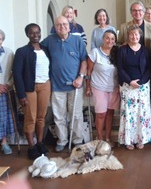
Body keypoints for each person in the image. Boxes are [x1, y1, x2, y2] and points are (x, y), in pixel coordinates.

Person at [41, 16, 87, 152]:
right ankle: (62, 140)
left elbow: (84, 61)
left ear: (69, 25)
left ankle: (77, 140)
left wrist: (81, 77)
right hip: (57, 86)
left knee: (76, 114)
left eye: (65, 24)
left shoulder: (77, 40)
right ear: (55, 27)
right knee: (59, 116)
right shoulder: (49, 41)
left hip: (75, 85)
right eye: (59, 25)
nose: (62, 27)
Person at [13, 23, 51, 159]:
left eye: (38, 32)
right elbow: (17, 74)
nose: (36, 35)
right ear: (27, 34)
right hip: (30, 88)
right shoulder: (22, 51)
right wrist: (21, 94)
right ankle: (31, 147)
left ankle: (40, 143)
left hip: (45, 86)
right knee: (31, 118)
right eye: (32, 32)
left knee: (41, 118)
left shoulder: (46, 49)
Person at [117, 25, 151, 150]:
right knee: (129, 114)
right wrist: (130, 81)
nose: (134, 36)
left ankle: (141, 139)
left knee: (141, 113)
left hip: (143, 86)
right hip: (127, 86)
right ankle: (128, 140)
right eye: (132, 34)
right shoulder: (122, 50)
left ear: (140, 36)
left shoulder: (145, 50)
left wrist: (142, 81)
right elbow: (120, 68)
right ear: (128, 36)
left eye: (136, 34)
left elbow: (149, 68)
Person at [86, 30, 120, 145]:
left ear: (115, 41)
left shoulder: (117, 53)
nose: (109, 41)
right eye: (107, 38)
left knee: (110, 113)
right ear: (103, 39)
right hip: (98, 87)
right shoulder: (95, 52)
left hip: (113, 87)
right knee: (101, 114)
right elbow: (88, 71)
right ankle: (99, 138)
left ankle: (108, 138)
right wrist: (87, 87)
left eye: (112, 39)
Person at [0, 29, 14, 155]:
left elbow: (14, 73)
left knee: (3, 117)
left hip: (4, 90)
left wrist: (7, 85)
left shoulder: (9, 53)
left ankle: (4, 142)